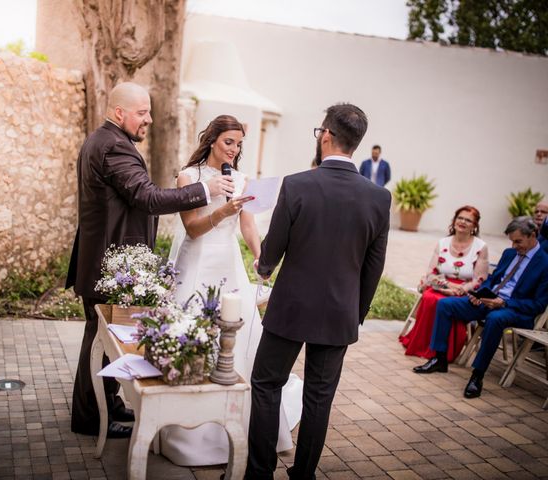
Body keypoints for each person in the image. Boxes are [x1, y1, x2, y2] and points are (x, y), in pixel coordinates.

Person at [65, 82, 234, 439]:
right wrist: (205, 190)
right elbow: (148, 197)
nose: (149, 120)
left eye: (149, 112)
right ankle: (89, 417)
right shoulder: (114, 147)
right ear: (119, 113)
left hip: (103, 259)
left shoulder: (104, 140)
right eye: (142, 113)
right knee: (99, 340)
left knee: (104, 340)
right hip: (109, 265)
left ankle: (109, 404)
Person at [246, 104, 391, 480]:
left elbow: (274, 246)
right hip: (339, 313)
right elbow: (373, 267)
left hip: (290, 308)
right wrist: (353, 313)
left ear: (325, 135)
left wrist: (262, 269)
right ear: (356, 143)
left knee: (265, 384)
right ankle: (303, 475)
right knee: (319, 397)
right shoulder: (379, 198)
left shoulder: (296, 184)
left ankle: (259, 473)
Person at [162, 115, 303, 466]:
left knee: (241, 342)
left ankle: (242, 428)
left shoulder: (239, 179)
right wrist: (221, 209)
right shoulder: (188, 176)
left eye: (239, 144)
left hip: (229, 267)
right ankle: (187, 434)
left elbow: (248, 223)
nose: (234, 150)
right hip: (195, 265)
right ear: (211, 140)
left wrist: (260, 259)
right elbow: (192, 229)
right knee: (193, 339)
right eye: (229, 142)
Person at [413, 217, 548, 399]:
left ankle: (478, 375)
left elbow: (538, 305)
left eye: (518, 241)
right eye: (512, 241)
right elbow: (495, 279)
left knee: (495, 318)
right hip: (488, 302)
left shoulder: (544, 263)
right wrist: (480, 294)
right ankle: (440, 359)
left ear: (532, 235)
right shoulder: (509, 254)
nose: (514, 246)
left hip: (515, 310)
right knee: (445, 305)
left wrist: (504, 302)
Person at [399, 206, 489, 361]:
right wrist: (447, 286)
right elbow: (431, 273)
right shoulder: (443, 243)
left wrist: (460, 289)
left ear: (474, 226)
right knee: (429, 297)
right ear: (454, 220)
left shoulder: (480, 247)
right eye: (460, 218)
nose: (462, 222)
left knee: (446, 302)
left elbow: (479, 279)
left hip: (465, 289)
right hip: (441, 284)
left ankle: (443, 351)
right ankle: (422, 345)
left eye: (468, 220)